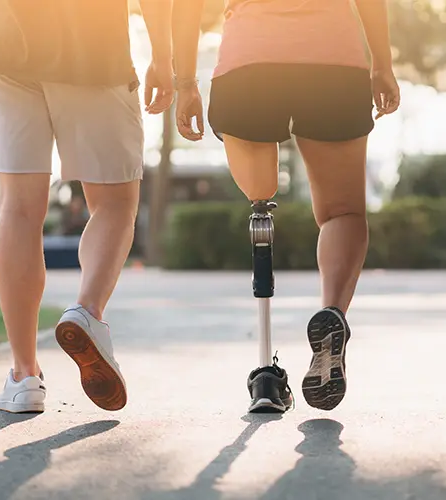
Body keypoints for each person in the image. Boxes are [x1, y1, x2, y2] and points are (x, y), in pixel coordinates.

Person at [0, 0, 176, 413]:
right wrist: (164, 57)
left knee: (18, 210)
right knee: (114, 203)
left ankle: (24, 377)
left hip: (7, 50)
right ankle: (87, 311)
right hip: (96, 53)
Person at [173, 0, 400, 412]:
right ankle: (332, 312)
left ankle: (265, 377)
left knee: (260, 200)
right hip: (332, 57)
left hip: (249, 60)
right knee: (343, 212)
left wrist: (184, 81)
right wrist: (382, 63)